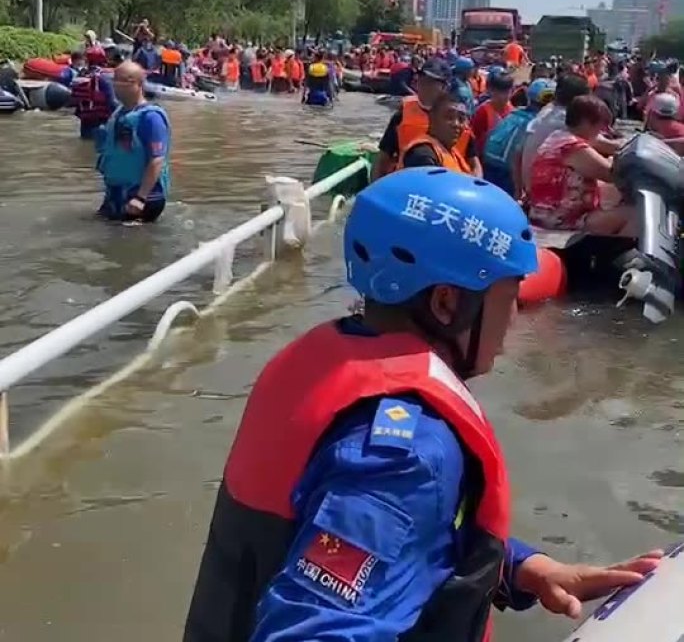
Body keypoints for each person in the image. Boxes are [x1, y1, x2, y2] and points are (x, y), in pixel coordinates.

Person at [184, 167, 662, 642]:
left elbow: (358, 533)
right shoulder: (406, 454)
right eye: (509, 296)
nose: (514, 319)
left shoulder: (329, 361)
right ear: (447, 303)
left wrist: (520, 566)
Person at [528, 95, 637, 236]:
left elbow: (609, 146)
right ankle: (618, 254)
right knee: (635, 213)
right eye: (602, 125)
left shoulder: (559, 136)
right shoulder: (571, 147)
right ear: (586, 123)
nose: (604, 131)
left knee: (613, 194)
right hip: (559, 219)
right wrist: (614, 158)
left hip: (545, 212)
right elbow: (612, 174)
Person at [95, 61, 170, 223]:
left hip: (141, 195)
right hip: (116, 191)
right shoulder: (119, 113)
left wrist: (140, 198)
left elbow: (157, 159)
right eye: (114, 80)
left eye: (123, 81)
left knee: (132, 242)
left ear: (139, 84)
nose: (116, 86)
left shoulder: (151, 118)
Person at [372, 58, 451, 180]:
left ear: (445, 88)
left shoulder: (456, 118)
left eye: (431, 83)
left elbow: (473, 160)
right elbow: (383, 158)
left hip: (446, 185)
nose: (424, 87)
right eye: (422, 81)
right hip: (407, 185)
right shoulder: (402, 115)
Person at [483, 78, 556, 197]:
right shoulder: (537, 123)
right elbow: (518, 157)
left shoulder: (514, 113)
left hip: (489, 166)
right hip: (507, 174)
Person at [397, 93, 476, 174]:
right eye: (449, 117)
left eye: (461, 119)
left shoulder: (452, 152)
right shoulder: (423, 156)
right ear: (432, 118)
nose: (456, 124)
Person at [71, 50, 117, 140]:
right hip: (101, 123)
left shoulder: (80, 75)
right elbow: (112, 102)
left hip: (85, 124)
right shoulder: (104, 77)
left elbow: (74, 100)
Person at [470, 71, 515, 156]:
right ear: (490, 91)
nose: (502, 96)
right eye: (498, 92)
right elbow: (473, 139)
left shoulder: (513, 113)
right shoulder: (482, 112)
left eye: (506, 92)